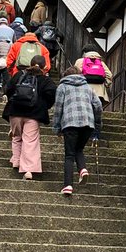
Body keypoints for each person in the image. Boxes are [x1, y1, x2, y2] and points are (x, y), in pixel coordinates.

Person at [51, 66, 103, 197]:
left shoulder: (62, 87)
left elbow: (58, 108)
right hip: (88, 123)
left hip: (70, 123)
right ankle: (82, 169)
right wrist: (96, 123)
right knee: (78, 149)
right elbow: (98, 106)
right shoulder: (88, 87)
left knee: (69, 154)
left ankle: (68, 185)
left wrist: (56, 128)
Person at [2, 55, 55, 180]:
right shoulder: (45, 79)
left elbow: (8, 88)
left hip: (15, 111)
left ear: (29, 63)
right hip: (33, 113)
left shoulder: (19, 75)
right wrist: (44, 105)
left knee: (17, 136)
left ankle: (16, 161)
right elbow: (52, 93)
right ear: (44, 66)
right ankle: (28, 170)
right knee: (30, 140)